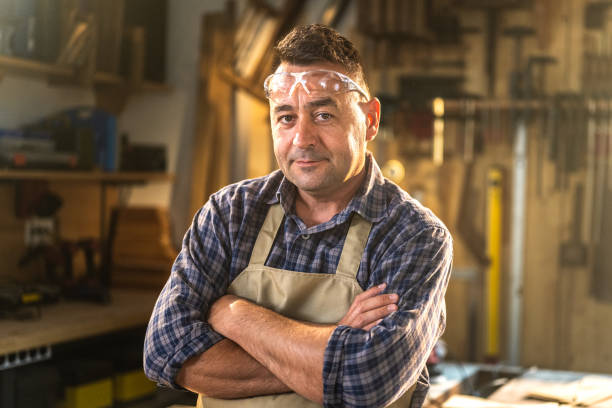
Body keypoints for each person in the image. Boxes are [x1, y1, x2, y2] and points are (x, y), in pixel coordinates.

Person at [144, 24, 452, 408]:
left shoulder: (412, 235)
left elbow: (364, 385)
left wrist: (236, 316)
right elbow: (163, 353)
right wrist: (332, 344)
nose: (302, 139)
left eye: (323, 115)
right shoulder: (230, 214)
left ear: (370, 120)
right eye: (286, 117)